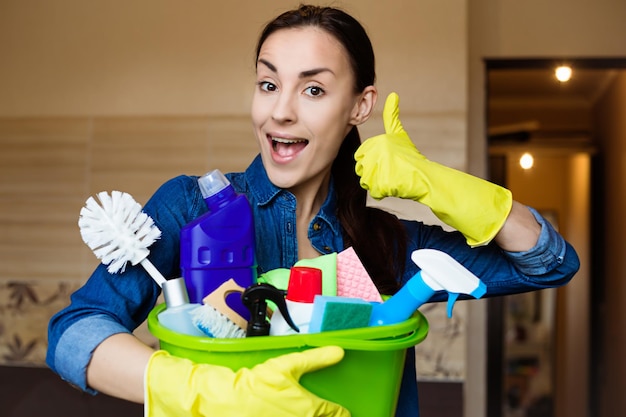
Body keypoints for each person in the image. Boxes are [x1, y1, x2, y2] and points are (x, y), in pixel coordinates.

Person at [46, 4, 580, 417]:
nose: (281, 110)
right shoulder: (192, 209)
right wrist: (205, 391)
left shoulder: (386, 244)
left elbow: (548, 264)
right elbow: (72, 333)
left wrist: (441, 186)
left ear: (360, 106)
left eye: (315, 89)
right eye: (268, 83)